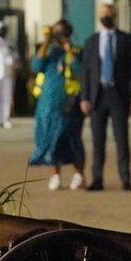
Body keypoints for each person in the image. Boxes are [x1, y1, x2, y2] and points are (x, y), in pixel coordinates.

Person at [80, 3, 131, 191]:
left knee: (121, 139)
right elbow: (86, 72)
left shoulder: (125, 40)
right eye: (103, 14)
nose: (106, 16)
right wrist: (84, 97)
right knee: (98, 140)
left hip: (118, 94)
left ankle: (125, 179)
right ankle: (97, 179)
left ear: (114, 15)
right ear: (98, 16)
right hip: (97, 95)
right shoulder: (91, 41)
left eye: (109, 13)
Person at [28, 19, 86, 191]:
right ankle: (55, 175)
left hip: (70, 104)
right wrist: (46, 42)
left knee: (72, 139)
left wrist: (70, 51)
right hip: (49, 104)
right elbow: (36, 66)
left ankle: (79, 174)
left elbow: (81, 70)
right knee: (51, 139)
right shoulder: (49, 51)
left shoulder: (76, 51)